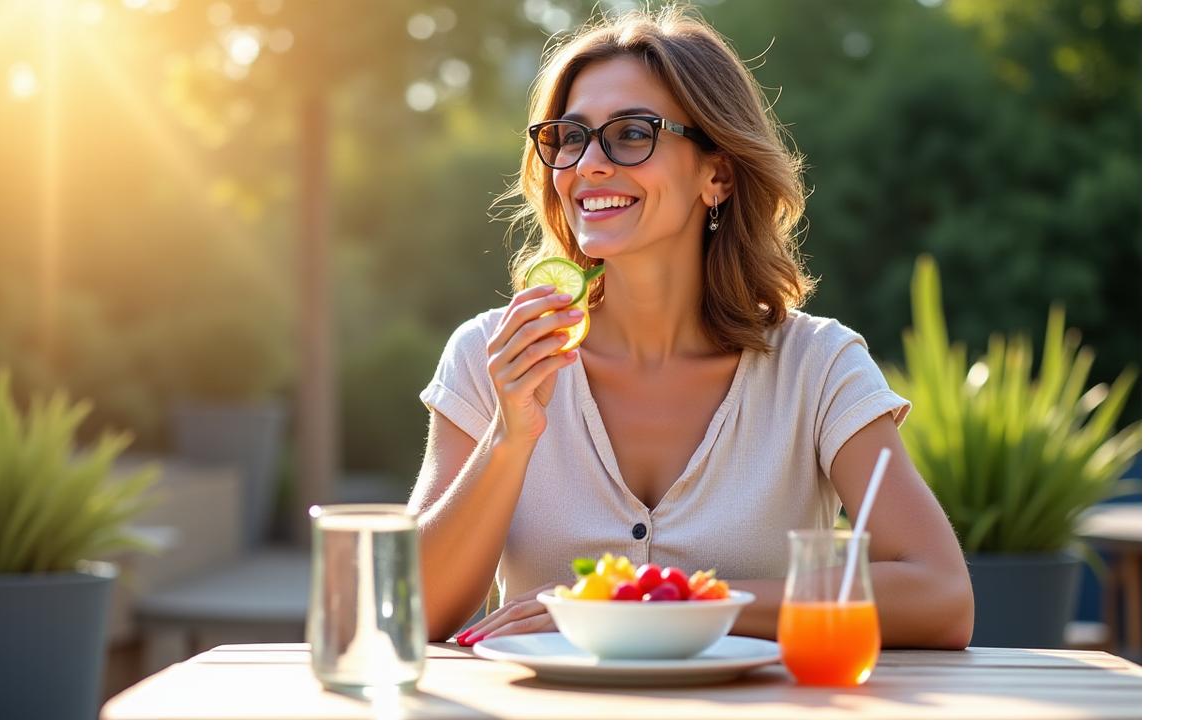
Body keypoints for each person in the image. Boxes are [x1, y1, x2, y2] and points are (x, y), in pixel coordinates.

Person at [407, 4, 974, 649]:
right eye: (570, 136)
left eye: (630, 134)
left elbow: (940, 595)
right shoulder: (492, 355)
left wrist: (652, 604)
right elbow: (407, 612)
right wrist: (510, 436)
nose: (588, 164)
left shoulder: (818, 367)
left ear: (718, 173)